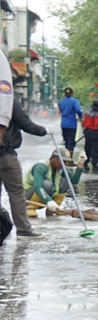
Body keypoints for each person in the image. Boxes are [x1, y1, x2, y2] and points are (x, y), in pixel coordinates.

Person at [2, 100, 48, 238]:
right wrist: (44, 131)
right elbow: (26, 124)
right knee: (16, 192)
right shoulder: (7, 100)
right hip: (4, 155)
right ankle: (23, 229)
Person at [81, 100, 98, 173]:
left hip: (87, 132)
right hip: (94, 133)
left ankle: (85, 163)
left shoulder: (87, 114)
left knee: (87, 148)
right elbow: (97, 124)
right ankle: (94, 165)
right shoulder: (97, 115)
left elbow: (83, 123)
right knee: (96, 148)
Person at [58, 87, 83, 153]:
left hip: (63, 124)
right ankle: (69, 157)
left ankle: (66, 156)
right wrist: (81, 117)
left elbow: (61, 111)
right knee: (71, 142)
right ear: (72, 93)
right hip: (71, 124)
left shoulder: (61, 101)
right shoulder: (74, 101)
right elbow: (78, 110)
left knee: (66, 141)